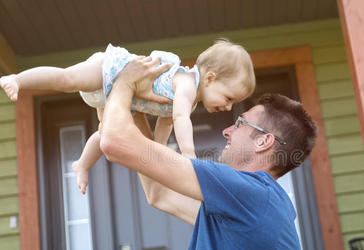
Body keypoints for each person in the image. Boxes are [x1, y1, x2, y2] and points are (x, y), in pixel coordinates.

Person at [100, 56, 317, 250]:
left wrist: (124, 82)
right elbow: (160, 195)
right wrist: (132, 106)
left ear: (264, 141)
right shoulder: (253, 209)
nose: (227, 131)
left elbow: (113, 141)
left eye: (240, 124)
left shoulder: (250, 194)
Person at [0, 39, 255, 194]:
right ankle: (18, 79)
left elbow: (166, 122)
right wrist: (188, 155)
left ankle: (82, 164)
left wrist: (157, 148)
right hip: (109, 71)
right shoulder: (187, 83)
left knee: (104, 134)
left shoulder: (189, 99)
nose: (228, 106)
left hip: (115, 97)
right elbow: (179, 119)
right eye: (228, 97)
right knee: (67, 79)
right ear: (210, 78)